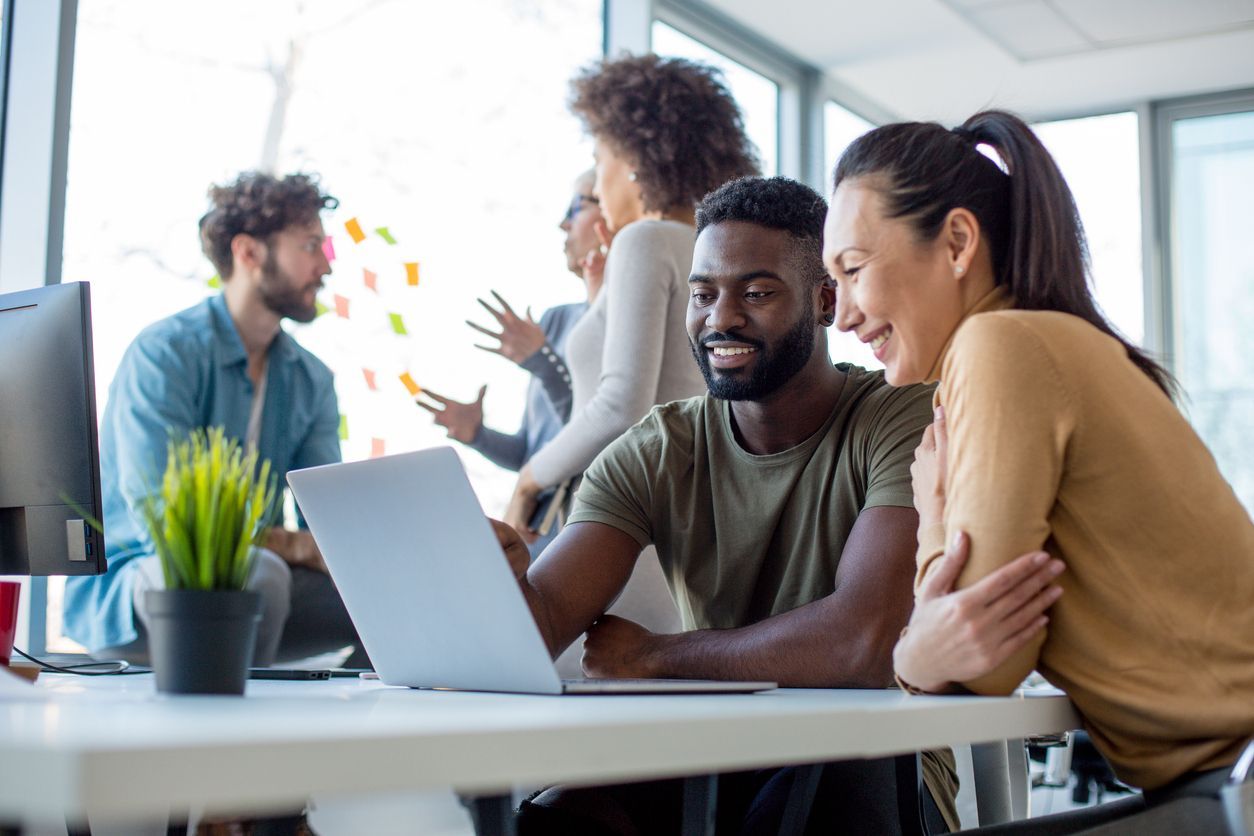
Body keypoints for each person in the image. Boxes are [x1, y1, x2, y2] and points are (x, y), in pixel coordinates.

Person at [823, 110, 1254, 832]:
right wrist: (924, 650)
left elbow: (982, 665)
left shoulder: (999, 347)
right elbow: (969, 641)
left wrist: (931, 523)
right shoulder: (1043, 342)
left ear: (958, 242)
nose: (840, 315)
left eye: (854, 270)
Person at [497, 176, 959, 834]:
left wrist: (658, 656)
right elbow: (540, 622)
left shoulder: (901, 417)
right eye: (704, 294)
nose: (722, 318)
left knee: (819, 778)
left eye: (758, 292)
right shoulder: (659, 447)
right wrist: (494, 578)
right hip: (714, 757)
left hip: (873, 763)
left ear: (826, 300)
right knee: (564, 818)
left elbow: (861, 646)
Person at [64, 171, 366, 669]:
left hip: (261, 586)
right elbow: (168, 520)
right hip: (143, 582)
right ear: (249, 253)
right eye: (311, 245)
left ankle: (338, 729)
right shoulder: (165, 353)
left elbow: (329, 527)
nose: (325, 265)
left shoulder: (311, 379)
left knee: (398, 593)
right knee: (259, 574)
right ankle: (235, 725)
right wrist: (293, 545)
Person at [503, 54, 760, 539]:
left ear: (636, 158)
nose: (599, 182)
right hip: (682, 512)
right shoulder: (714, 249)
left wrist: (528, 479)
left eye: (600, 161)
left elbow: (621, 404)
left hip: (621, 519)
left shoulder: (645, 241)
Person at [419, 170, 607, 555]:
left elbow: (599, 427)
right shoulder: (555, 320)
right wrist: (479, 436)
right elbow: (531, 452)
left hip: (580, 526)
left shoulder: (622, 325)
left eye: (577, 206)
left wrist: (541, 362)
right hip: (534, 527)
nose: (563, 223)